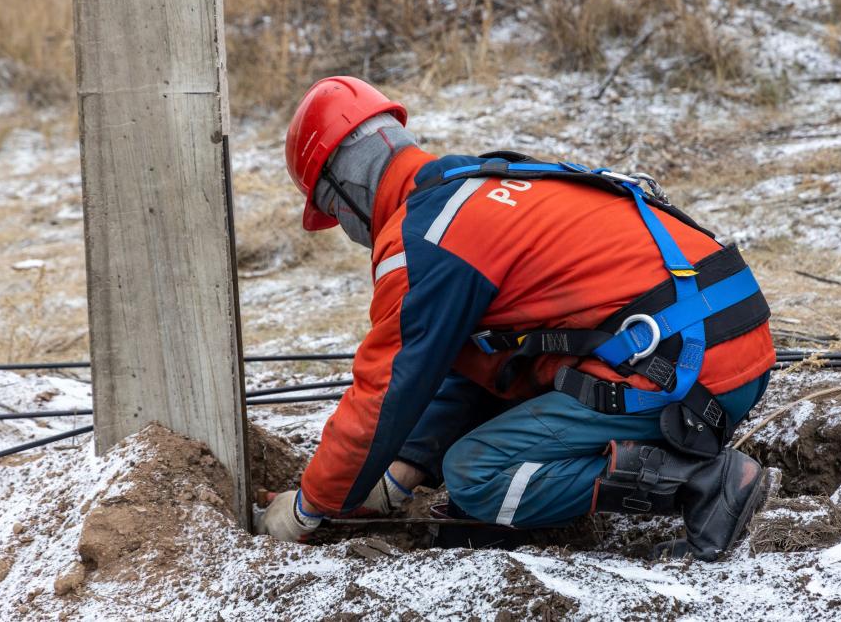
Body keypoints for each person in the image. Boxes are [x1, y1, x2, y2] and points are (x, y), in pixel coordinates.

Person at [259, 76, 776, 561]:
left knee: (474, 474)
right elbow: (468, 360)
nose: (347, 230)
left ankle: (703, 483)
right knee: (497, 398)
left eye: (333, 213)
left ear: (344, 190)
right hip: (731, 342)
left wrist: (309, 505)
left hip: (686, 368)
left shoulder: (424, 241)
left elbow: (384, 393)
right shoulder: (482, 183)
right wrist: (401, 473)